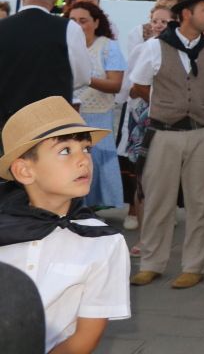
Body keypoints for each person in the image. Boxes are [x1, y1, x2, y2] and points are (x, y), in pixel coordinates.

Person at [0, 97, 131, 353]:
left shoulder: (104, 242)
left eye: (86, 149)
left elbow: (84, 339)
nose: (83, 160)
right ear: (25, 171)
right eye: (65, 151)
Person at [127, 0, 204, 289]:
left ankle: (194, 265)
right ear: (186, 13)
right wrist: (166, 104)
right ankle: (152, 263)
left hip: (203, 133)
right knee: (158, 198)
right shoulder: (155, 47)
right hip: (165, 132)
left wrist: (193, 104)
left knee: (201, 201)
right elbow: (139, 85)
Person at [0, 0, 91, 129]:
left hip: (6, 126)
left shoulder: (2, 28)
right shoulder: (69, 29)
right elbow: (83, 77)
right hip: (49, 127)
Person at [116, 5, 173, 234]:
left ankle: (161, 224)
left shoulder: (177, 50)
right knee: (140, 169)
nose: (158, 25)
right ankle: (141, 225)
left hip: (168, 116)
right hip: (141, 115)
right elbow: (130, 84)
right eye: (155, 21)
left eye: (164, 22)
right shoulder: (142, 49)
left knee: (164, 171)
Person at [66, 1, 126, 211]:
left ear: (96, 22)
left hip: (98, 115)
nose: (78, 25)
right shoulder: (64, 45)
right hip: (69, 116)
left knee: (95, 162)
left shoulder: (108, 46)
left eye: (83, 20)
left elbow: (115, 84)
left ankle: (90, 209)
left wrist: (86, 78)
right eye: (73, 20)